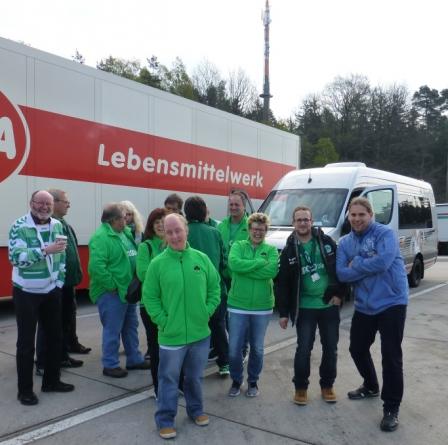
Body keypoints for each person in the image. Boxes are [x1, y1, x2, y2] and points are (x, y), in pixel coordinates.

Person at [142, 213, 220, 440]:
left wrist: (206, 311)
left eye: (178, 230)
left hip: (199, 334)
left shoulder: (201, 259)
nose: (175, 235)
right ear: (164, 235)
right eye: (169, 232)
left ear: (186, 229)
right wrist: (164, 321)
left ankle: (196, 410)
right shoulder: (157, 264)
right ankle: (165, 420)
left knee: (194, 377)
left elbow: (215, 289)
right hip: (171, 336)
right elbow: (150, 298)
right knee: (168, 379)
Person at [336, 197, 408, 432]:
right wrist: (364, 265)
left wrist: (355, 264)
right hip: (365, 305)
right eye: (353, 215)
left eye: (361, 215)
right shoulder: (345, 242)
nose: (357, 219)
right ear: (348, 217)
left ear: (371, 215)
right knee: (356, 348)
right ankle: (370, 385)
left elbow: (384, 262)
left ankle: (391, 408)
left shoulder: (384, 234)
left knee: (391, 356)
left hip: (392, 302)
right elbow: (341, 274)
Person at [9, 190, 75, 406]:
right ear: (31, 203)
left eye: (48, 204)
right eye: (40, 203)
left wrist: (59, 281)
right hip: (26, 291)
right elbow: (16, 258)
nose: (44, 207)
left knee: (55, 337)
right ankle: (25, 391)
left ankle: (52, 381)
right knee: (26, 344)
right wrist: (45, 250)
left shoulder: (57, 225)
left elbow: (62, 255)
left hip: (50, 290)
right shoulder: (19, 226)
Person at [276, 206, 346, 406]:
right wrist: (283, 313)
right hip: (305, 307)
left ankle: (327, 385)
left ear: (312, 220)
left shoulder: (325, 242)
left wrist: (340, 294)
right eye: (299, 220)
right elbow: (283, 283)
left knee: (330, 348)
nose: (303, 223)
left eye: (306, 219)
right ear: (293, 223)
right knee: (304, 348)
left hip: (328, 305)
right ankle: (300, 388)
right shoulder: (290, 249)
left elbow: (340, 268)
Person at [88, 203, 150, 378]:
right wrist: (112, 286)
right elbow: (96, 267)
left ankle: (134, 359)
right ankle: (110, 364)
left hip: (127, 291)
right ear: (114, 220)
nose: (127, 219)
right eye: (124, 216)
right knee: (112, 329)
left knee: (131, 326)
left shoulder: (123, 233)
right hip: (112, 293)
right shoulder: (101, 237)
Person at [35, 189, 89, 376]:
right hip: (56, 284)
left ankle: (62, 355)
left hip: (67, 283)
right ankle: (42, 361)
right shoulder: (49, 226)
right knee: (49, 324)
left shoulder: (63, 224)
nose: (68, 204)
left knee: (64, 323)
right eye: (65, 201)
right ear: (55, 202)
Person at [227, 213, 278, 398]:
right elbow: (234, 264)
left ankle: (253, 381)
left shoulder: (271, 250)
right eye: (254, 229)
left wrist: (246, 269)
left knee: (257, 348)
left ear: (266, 231)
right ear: (249, 229)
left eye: (261, 229)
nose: (257, 232)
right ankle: (236, 379)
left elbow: (271, 271)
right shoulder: (238, 246)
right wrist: (258, 263)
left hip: (262, 307)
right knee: (233, 349)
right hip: (237, 305)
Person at [184, 196, 229, 377]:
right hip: (216, 289)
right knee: (218, 326)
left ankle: (192, 366)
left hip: (192, 291)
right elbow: (224, 263)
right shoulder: (215, 232)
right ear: (204, 212)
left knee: (193, 329)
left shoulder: (184, 233)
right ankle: (224, 364)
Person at [136, 207, 167, 394]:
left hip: (172, 304)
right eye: (157, 222)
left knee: (173, 348)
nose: (161, 226)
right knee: (156, 348)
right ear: (151, 226)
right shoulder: (145, 247)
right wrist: (167, 275)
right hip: (150, 306)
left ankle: (176, 383)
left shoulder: (174, 245)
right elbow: (142, 274)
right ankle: (158, 388)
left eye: (164, 222)